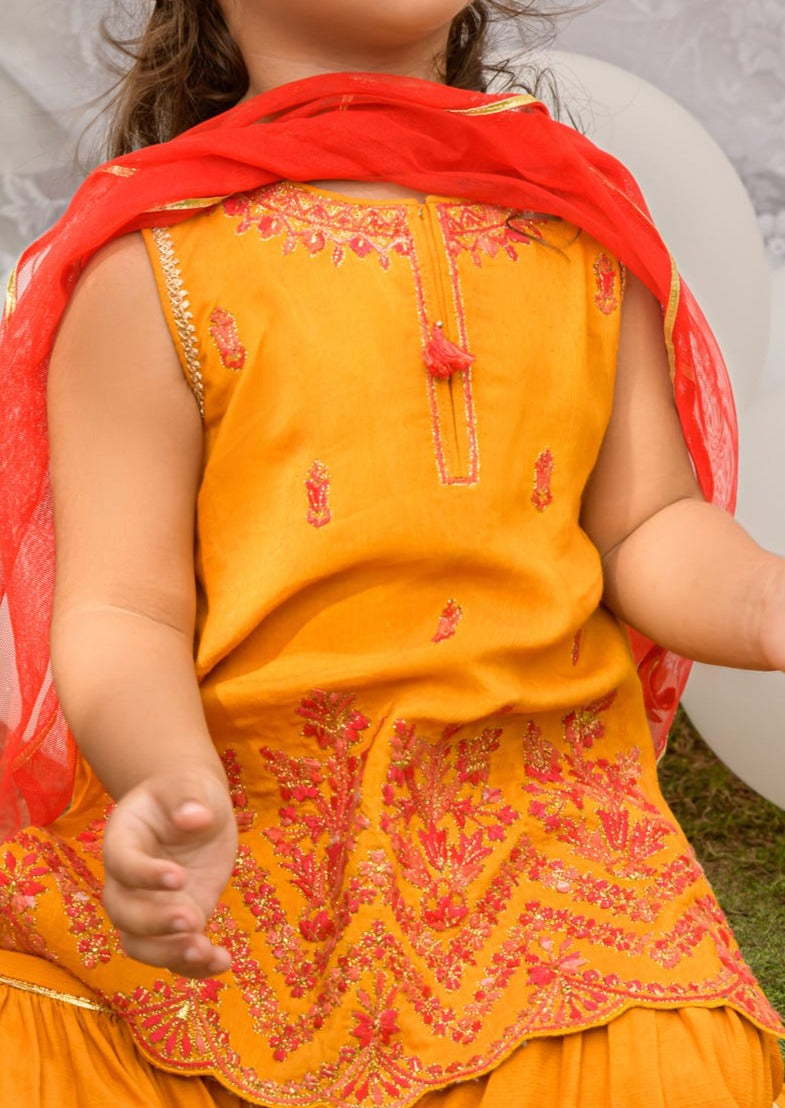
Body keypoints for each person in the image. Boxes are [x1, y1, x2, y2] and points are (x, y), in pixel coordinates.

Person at [0, 1, 783, 1105]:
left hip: (545, 831)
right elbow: (122, 607)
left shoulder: (573, 219)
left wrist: (759, 600)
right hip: (251, 818)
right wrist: (166, 785)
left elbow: (645, 524)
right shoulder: (153, 257)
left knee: (670, 1066)